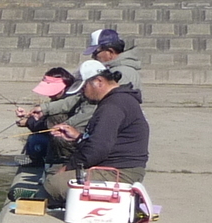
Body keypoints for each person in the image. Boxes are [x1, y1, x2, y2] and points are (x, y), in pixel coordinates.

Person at [45, 62, 150, 207]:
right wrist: (78, 137)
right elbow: (102, 142)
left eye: (84, 87)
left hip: (121, 172)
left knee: (53, 184)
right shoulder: (116, 100)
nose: (82, 92)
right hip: (116, 165)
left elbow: (97, 150)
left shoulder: (113, 106)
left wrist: (68, 168)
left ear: (99, 82)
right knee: (53, 172)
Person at [14, 66, 81, 167]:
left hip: (69, 143)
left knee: (35, 140)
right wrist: (28, 114)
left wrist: (28, 122)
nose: (50, 96)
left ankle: (39, 161)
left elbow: (47, 125)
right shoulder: (64, 98)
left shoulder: (69, 102)